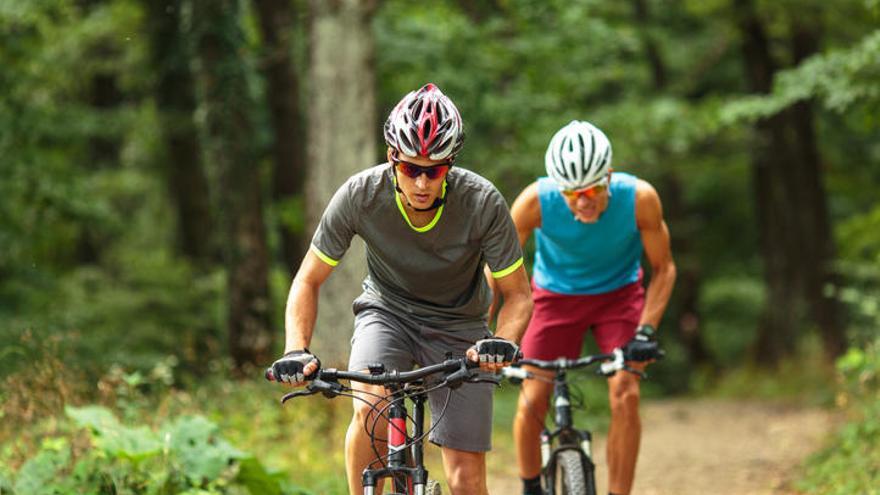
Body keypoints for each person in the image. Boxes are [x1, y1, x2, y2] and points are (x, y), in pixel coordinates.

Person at [269, 83, 533, 495]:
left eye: (435, 169)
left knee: (465, 477)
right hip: (387, 313)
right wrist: (295, 349)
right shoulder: (360, 195)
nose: (423, 182)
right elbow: (308, 279)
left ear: (451, 164)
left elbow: (518, 294)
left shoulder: (482, 203)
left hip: (460, 326)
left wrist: (502, 341)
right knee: (371, 412)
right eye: (411, 169)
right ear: (393, 159)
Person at [509, 120, 676, 495]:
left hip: (618, 297)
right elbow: (498, 269)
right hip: (553, 298)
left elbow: (664, 269)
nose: (583, 200)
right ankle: (531, 485)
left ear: (609, 177)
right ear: (558, 187)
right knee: (534, 395)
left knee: (626, 392)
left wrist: (646, 331)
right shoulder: (534, 202)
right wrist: (489, 334)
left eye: (592, 189)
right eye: (572, 192)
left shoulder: (640, 199)